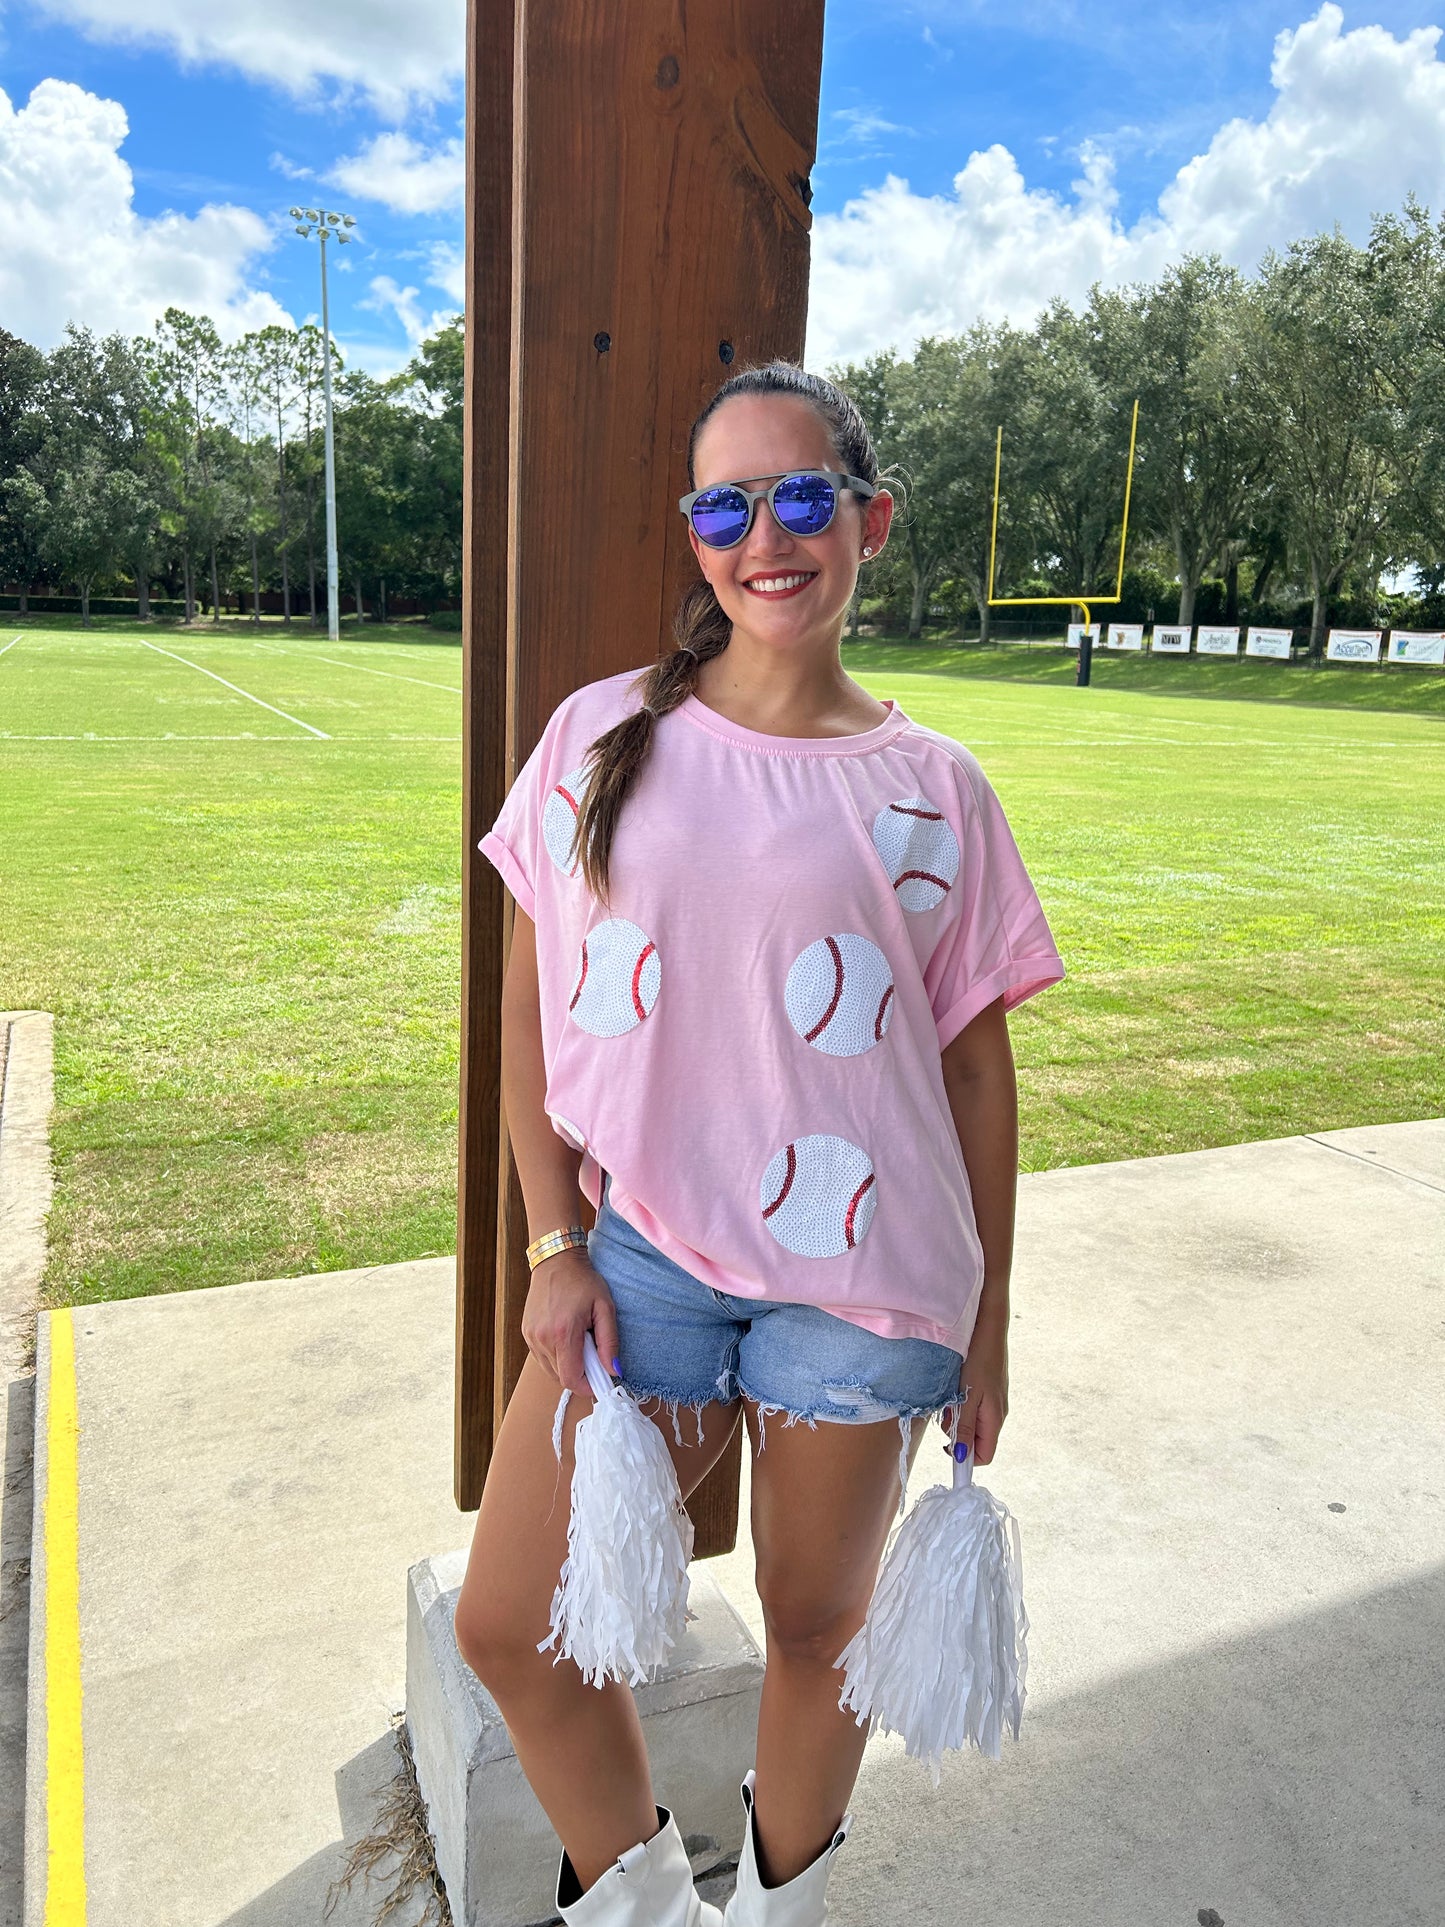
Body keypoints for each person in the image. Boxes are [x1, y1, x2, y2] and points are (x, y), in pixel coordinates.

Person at [453, 359, 1066, 1926]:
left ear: (867, 520)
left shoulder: (934, 791)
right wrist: (551, 1242)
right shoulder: (604, 738)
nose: (762, 535)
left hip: (864, 1284)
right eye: (723, 503)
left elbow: (975, 1076)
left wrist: (985, 1324)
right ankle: (648, 1908)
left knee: (814, 1628)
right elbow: (527, 1011)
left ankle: (778, 1912)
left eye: (801, 496)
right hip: (642, 1244)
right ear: (694, 535)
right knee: (515, 1626)